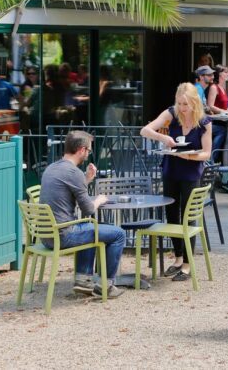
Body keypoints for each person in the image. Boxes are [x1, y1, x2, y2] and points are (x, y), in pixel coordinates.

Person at [38, 131, 126, 298]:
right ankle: (106, 286)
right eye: (89, 151)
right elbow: (89, 210)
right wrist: (100, 199)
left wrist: (86, 179)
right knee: (118, 234)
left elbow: (67, 190)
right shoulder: (73, 172)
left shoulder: (52, 167)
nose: (88, 154)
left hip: (46, 235)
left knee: (88, 228)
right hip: (63, 235)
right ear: (81, 150)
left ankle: (83, 281)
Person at [140, 83, 213, 282]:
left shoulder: (204, 122)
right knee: (171, 214)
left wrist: (188, 157)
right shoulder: (171, 113)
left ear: (195, 103)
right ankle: (178, 258)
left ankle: (188, 265)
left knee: (188, 217)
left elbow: (206, 153)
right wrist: (163, 138)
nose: (182, 108)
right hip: (170, 170)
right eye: (180, 103)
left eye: (186, 104)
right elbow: (145, 131)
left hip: (191, 172)